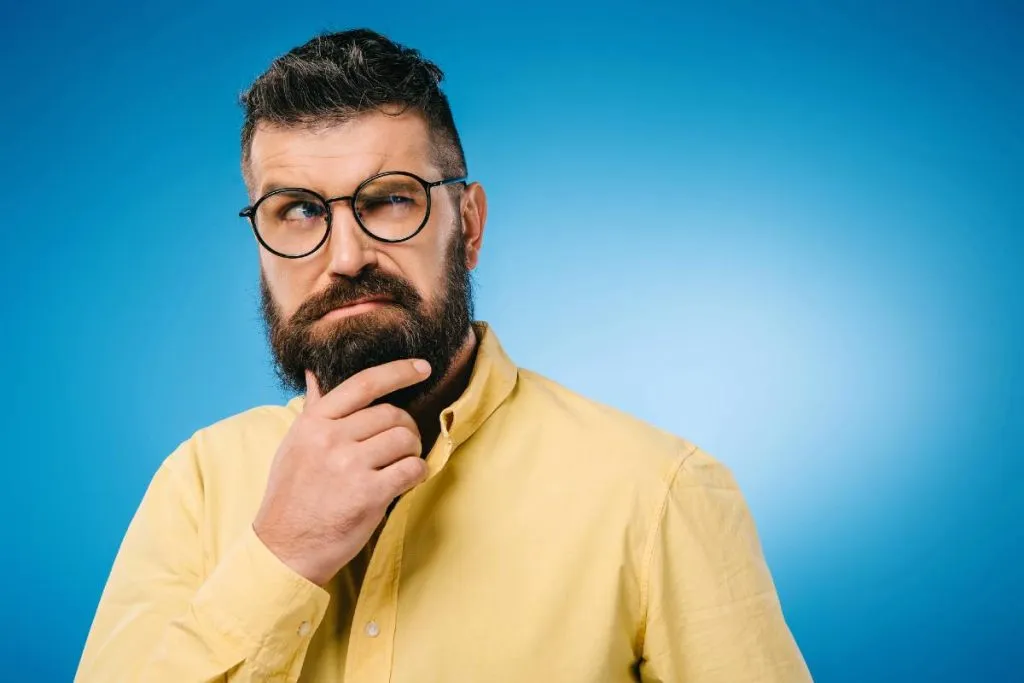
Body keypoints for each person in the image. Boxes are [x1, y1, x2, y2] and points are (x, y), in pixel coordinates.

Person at [76, 28, 812, 683]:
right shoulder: (198, 485)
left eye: (390, 199)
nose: (345, 256)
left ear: (470, 224)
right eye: (298, 210)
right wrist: (281, 554)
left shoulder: (659, 494)